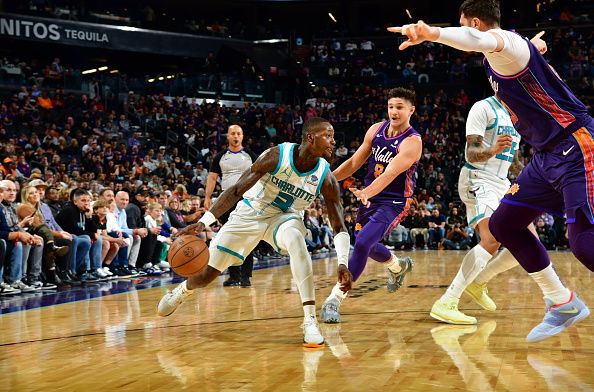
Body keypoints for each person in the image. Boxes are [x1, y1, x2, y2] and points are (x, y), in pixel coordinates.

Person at [389, 0, 593, 342]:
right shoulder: (509, 52)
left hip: (575, 145)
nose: (467, 34)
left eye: (466, 26)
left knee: (583, 241)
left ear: (476, 23)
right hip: (544, 157)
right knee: (503, 224)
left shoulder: (505, 43)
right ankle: (562, 302)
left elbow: (481, 40)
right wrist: (536, 50)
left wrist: (432, 33)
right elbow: (510, 53)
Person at [157, 117, 353, 347]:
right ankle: (182, 290)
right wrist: (205, 221)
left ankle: (309, 320)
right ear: (310, 138)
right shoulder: (276, 156)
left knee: (296, 240)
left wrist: (342, 262)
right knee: (207, 275)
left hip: (284, 218)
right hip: (250, 213)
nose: (333, 142)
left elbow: (338, 224)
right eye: (328, 136)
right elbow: (237, 189)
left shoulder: (326, 176)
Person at [319, 87, 422, 324]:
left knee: (363, 242)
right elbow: (355, 161)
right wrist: (326, 180)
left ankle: (334, 299)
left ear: (411, 110)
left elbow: (390, 172)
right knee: (366, 243)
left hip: (394, 201)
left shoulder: (412, 142)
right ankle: (398, 266)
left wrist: (367, 191)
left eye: (399, 107)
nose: (394, 111)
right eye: (391, 106)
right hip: (370, 197)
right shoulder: (376, 129)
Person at [431, 94, 529, 324]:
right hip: (478, 178)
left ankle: (478, 281)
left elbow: (513, 160)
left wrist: (535, 176)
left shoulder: (517, 114)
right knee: (491, 238)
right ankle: (447, 301)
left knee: (526, 243)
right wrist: (492, 149)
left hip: (502, 182)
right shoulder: (483, 107)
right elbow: (471, 153)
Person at [204, 124, 258, 287]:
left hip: (248, 200)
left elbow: (262, 174)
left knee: (247, 237)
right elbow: (212, 178)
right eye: (233, 133)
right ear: (227, 136)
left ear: (242, 136)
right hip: (227, 200)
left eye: (239, 134)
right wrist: (207, 197)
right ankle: (233, 275)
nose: (235, 136)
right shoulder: (220, 156)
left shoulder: (250, 155)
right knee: (230, 237)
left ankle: (246, 276)